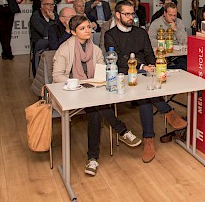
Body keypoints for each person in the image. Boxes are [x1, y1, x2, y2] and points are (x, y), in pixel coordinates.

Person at [52, 15, 140, 176]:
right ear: (73, 32)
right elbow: (57, 76)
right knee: (96, 107)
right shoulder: (64, 49)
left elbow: (101, 71)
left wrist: (97, 81)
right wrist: (78, 82)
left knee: (94, 109)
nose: (88, 31)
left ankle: (93, 158)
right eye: (82, 28)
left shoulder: (96, 49)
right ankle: (121, 131)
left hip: (93, 90)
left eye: (88, 27)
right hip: (72, 92)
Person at [104, 0, 187, 163]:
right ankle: (168, 113)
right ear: (118, 15)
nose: (130, 17)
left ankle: (149, 140)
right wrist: (142, 66)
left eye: (132, 14)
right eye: (126, 14)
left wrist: (152, 66)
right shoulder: (110, 35)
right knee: (145, 93)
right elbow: (119, 60)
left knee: (145, 96)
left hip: (145, 73)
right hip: (124, 75)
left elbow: (149, 53)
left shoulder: (140, 32)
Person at [148, 2, 188, 70]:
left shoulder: (179, 22)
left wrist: (175, 29)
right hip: (162, 54)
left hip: (178, 55)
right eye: (170, 15)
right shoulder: (156, 23)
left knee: (185, 64)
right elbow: (150, 40)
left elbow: (185, 40)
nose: (173, 18)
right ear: (165, 13)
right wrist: (166, 44)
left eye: (175, 15)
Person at [30, 0, 58, 75]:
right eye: (48, 4)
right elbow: (45, 33)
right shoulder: (36, 16)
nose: (51, 7)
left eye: (52, 5)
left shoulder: (55, 15)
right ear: (42, 5)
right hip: (40, 42)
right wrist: (51, 21)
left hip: (53, 41)